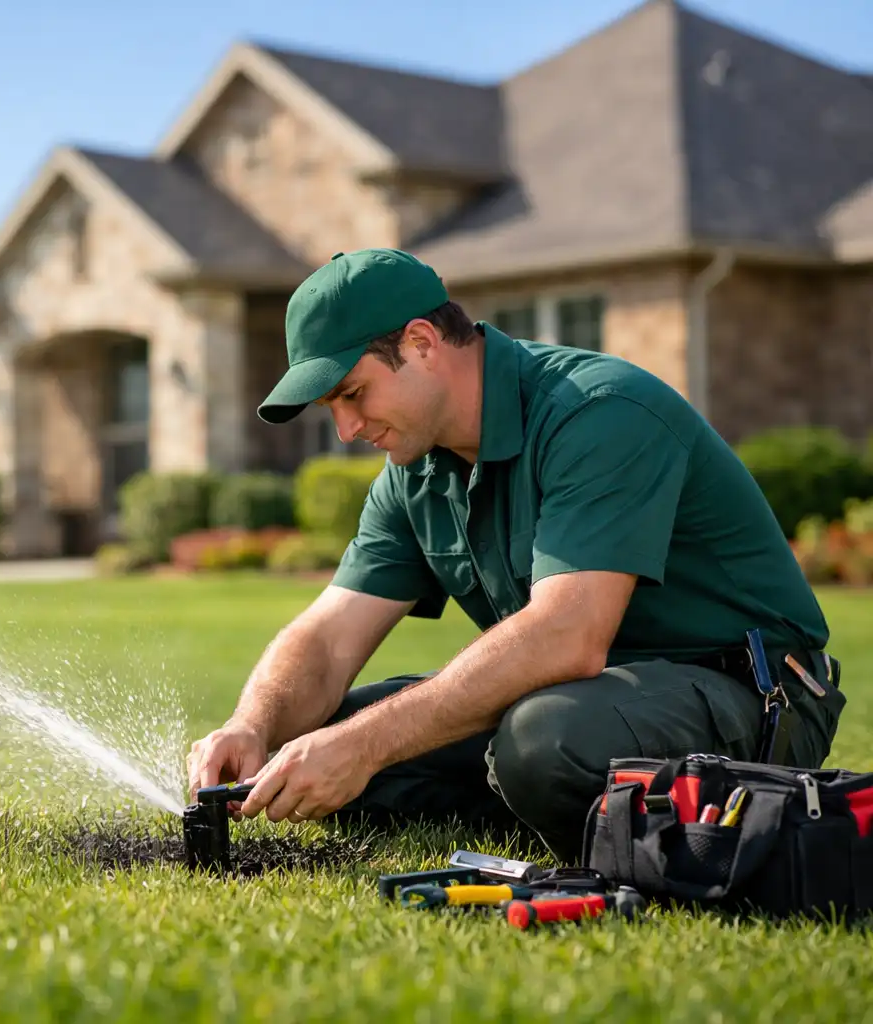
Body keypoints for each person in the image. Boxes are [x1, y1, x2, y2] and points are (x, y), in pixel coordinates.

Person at [185, 247, 847, 863]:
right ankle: (545, 802)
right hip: (586, 700)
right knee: (314, 743)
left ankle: (584, 810)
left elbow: (567, 637)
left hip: (751, 694)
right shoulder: (413, 472)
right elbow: (328, 639)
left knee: (538, 740)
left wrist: (362, 748)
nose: (347, 429)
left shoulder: (599, 411)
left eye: (353, 394)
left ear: (420, 343)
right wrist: (253, 726)